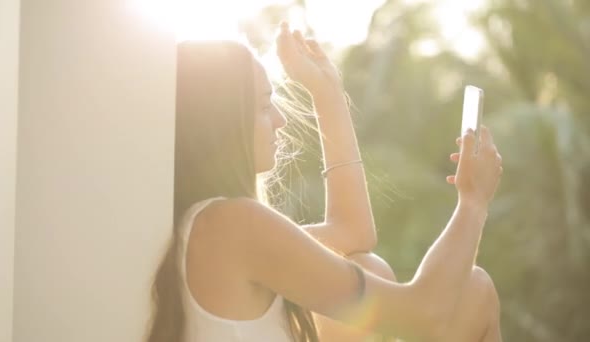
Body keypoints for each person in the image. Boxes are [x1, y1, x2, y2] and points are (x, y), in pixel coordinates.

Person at [145, 22, 503, 342]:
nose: (280, 120)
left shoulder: (205, 228)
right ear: (222, 124)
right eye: (265, 105)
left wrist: (326, 91)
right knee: (476, 292)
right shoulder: (234, 225)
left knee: (377, 268)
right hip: (424, 311)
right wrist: (473, 203)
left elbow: (352, 232)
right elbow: (425, 316)